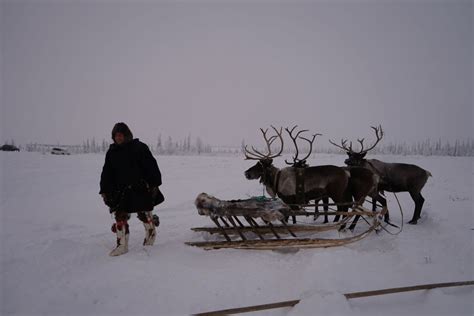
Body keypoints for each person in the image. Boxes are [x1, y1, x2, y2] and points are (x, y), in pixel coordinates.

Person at [100, 122, 163, 256]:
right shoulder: (112, 152)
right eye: (116, 135)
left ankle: (151, 235)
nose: (118, 138)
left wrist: (154, 184)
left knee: (144, 213)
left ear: (126, 135)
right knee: (120, 216)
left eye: (121, 135)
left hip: (140, 188)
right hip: (120, 191)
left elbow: (152, 166)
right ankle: (122, 245)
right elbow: (107, 172)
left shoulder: (139, 148)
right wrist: (105, 190)